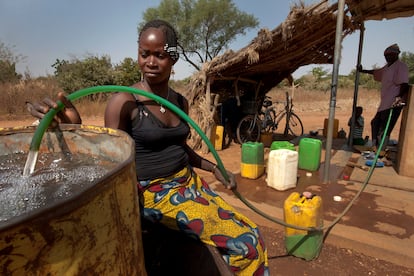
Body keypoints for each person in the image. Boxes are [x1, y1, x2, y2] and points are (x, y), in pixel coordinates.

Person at [28, 19, 269, 275]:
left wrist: (214, 168)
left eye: (160, 55)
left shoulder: (180, 102)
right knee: (247, 246)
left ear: (173, 59)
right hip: (154, 195)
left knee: (252, 231)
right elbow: (110, 158)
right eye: (145, 54)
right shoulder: (124, 101)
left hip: (189, 185)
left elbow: (180, 149)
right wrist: (74, 128)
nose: (150, 62)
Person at [358, 43, 409, 151]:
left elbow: (404, 84)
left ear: (396, 55)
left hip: (394, 102)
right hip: (385, 102)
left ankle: (380, 149)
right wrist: (363, 71)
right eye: (386, 55)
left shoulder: (401, 66)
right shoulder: (387, 67)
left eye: (390, 55)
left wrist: (399, 97)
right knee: (375, 123)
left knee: (385, 128)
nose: (387, 57)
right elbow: (376, 72)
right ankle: (376, 146)